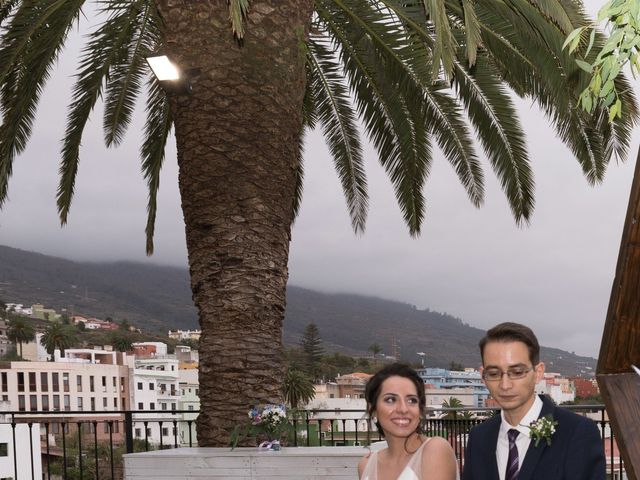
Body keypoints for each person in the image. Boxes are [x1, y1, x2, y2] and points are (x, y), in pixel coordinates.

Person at [462, 322, 605, 480]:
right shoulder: (479, 437)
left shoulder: (577, 433)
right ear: (483, 375)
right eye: (494, 373)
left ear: (538, 372)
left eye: (517, 372)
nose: (505, 385)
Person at [358, 363, 458, 480]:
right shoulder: (365, 465)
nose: (403, 409)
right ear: (373, 409)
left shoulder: (435, 450)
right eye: (390, 399)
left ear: (420, 411)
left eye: (412, 400)